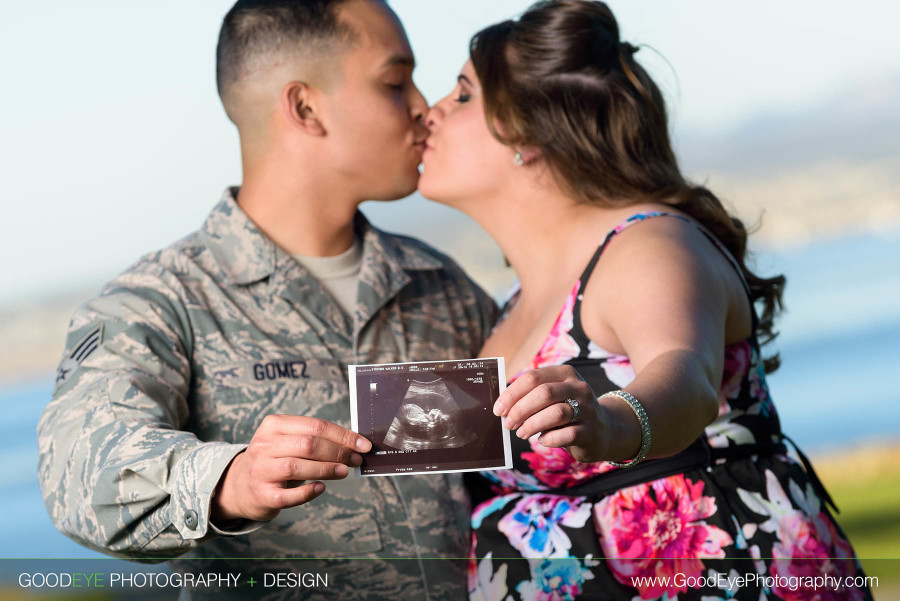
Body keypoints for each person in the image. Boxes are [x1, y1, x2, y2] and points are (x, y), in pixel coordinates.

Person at [37, 1, 496, 599]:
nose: (422, 106)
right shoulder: (159, 301)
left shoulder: (439, 283)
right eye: (394, 81)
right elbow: (77, 468)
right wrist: (230, 480)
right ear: (305, 107)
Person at [418, 1, 873, 599]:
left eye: (462, 95)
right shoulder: (508, 306)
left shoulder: (647, 245)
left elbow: (684, 376)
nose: (431, 113)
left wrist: (610, 421)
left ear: (527, 133)